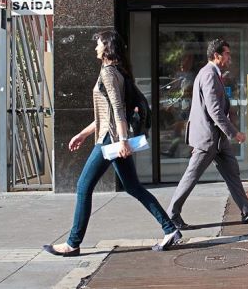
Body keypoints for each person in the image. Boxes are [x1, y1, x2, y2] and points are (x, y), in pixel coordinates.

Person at [43, 31, 181, 257]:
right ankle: (170, 229)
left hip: (110, 139)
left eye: (98, 44)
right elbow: (106, 114)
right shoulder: (119, 71)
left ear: (107, 47)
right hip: (112, 136)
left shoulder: (108, 73)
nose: (95, 48)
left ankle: (72, 244)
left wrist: (123, 140)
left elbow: (118, 110)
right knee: (133, 187)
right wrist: (83, 134)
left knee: (83, 186)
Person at [166, 38, 248, 229]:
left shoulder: (213, 74)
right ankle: (172, 215)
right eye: (227, 54)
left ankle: (247, 210)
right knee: (191, 176)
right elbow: (214, 110)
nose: (230, 57)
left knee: (232, 173)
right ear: (217, 55)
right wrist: (234, 133)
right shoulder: (208, 75)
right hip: (207, 138)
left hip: (218, 139)